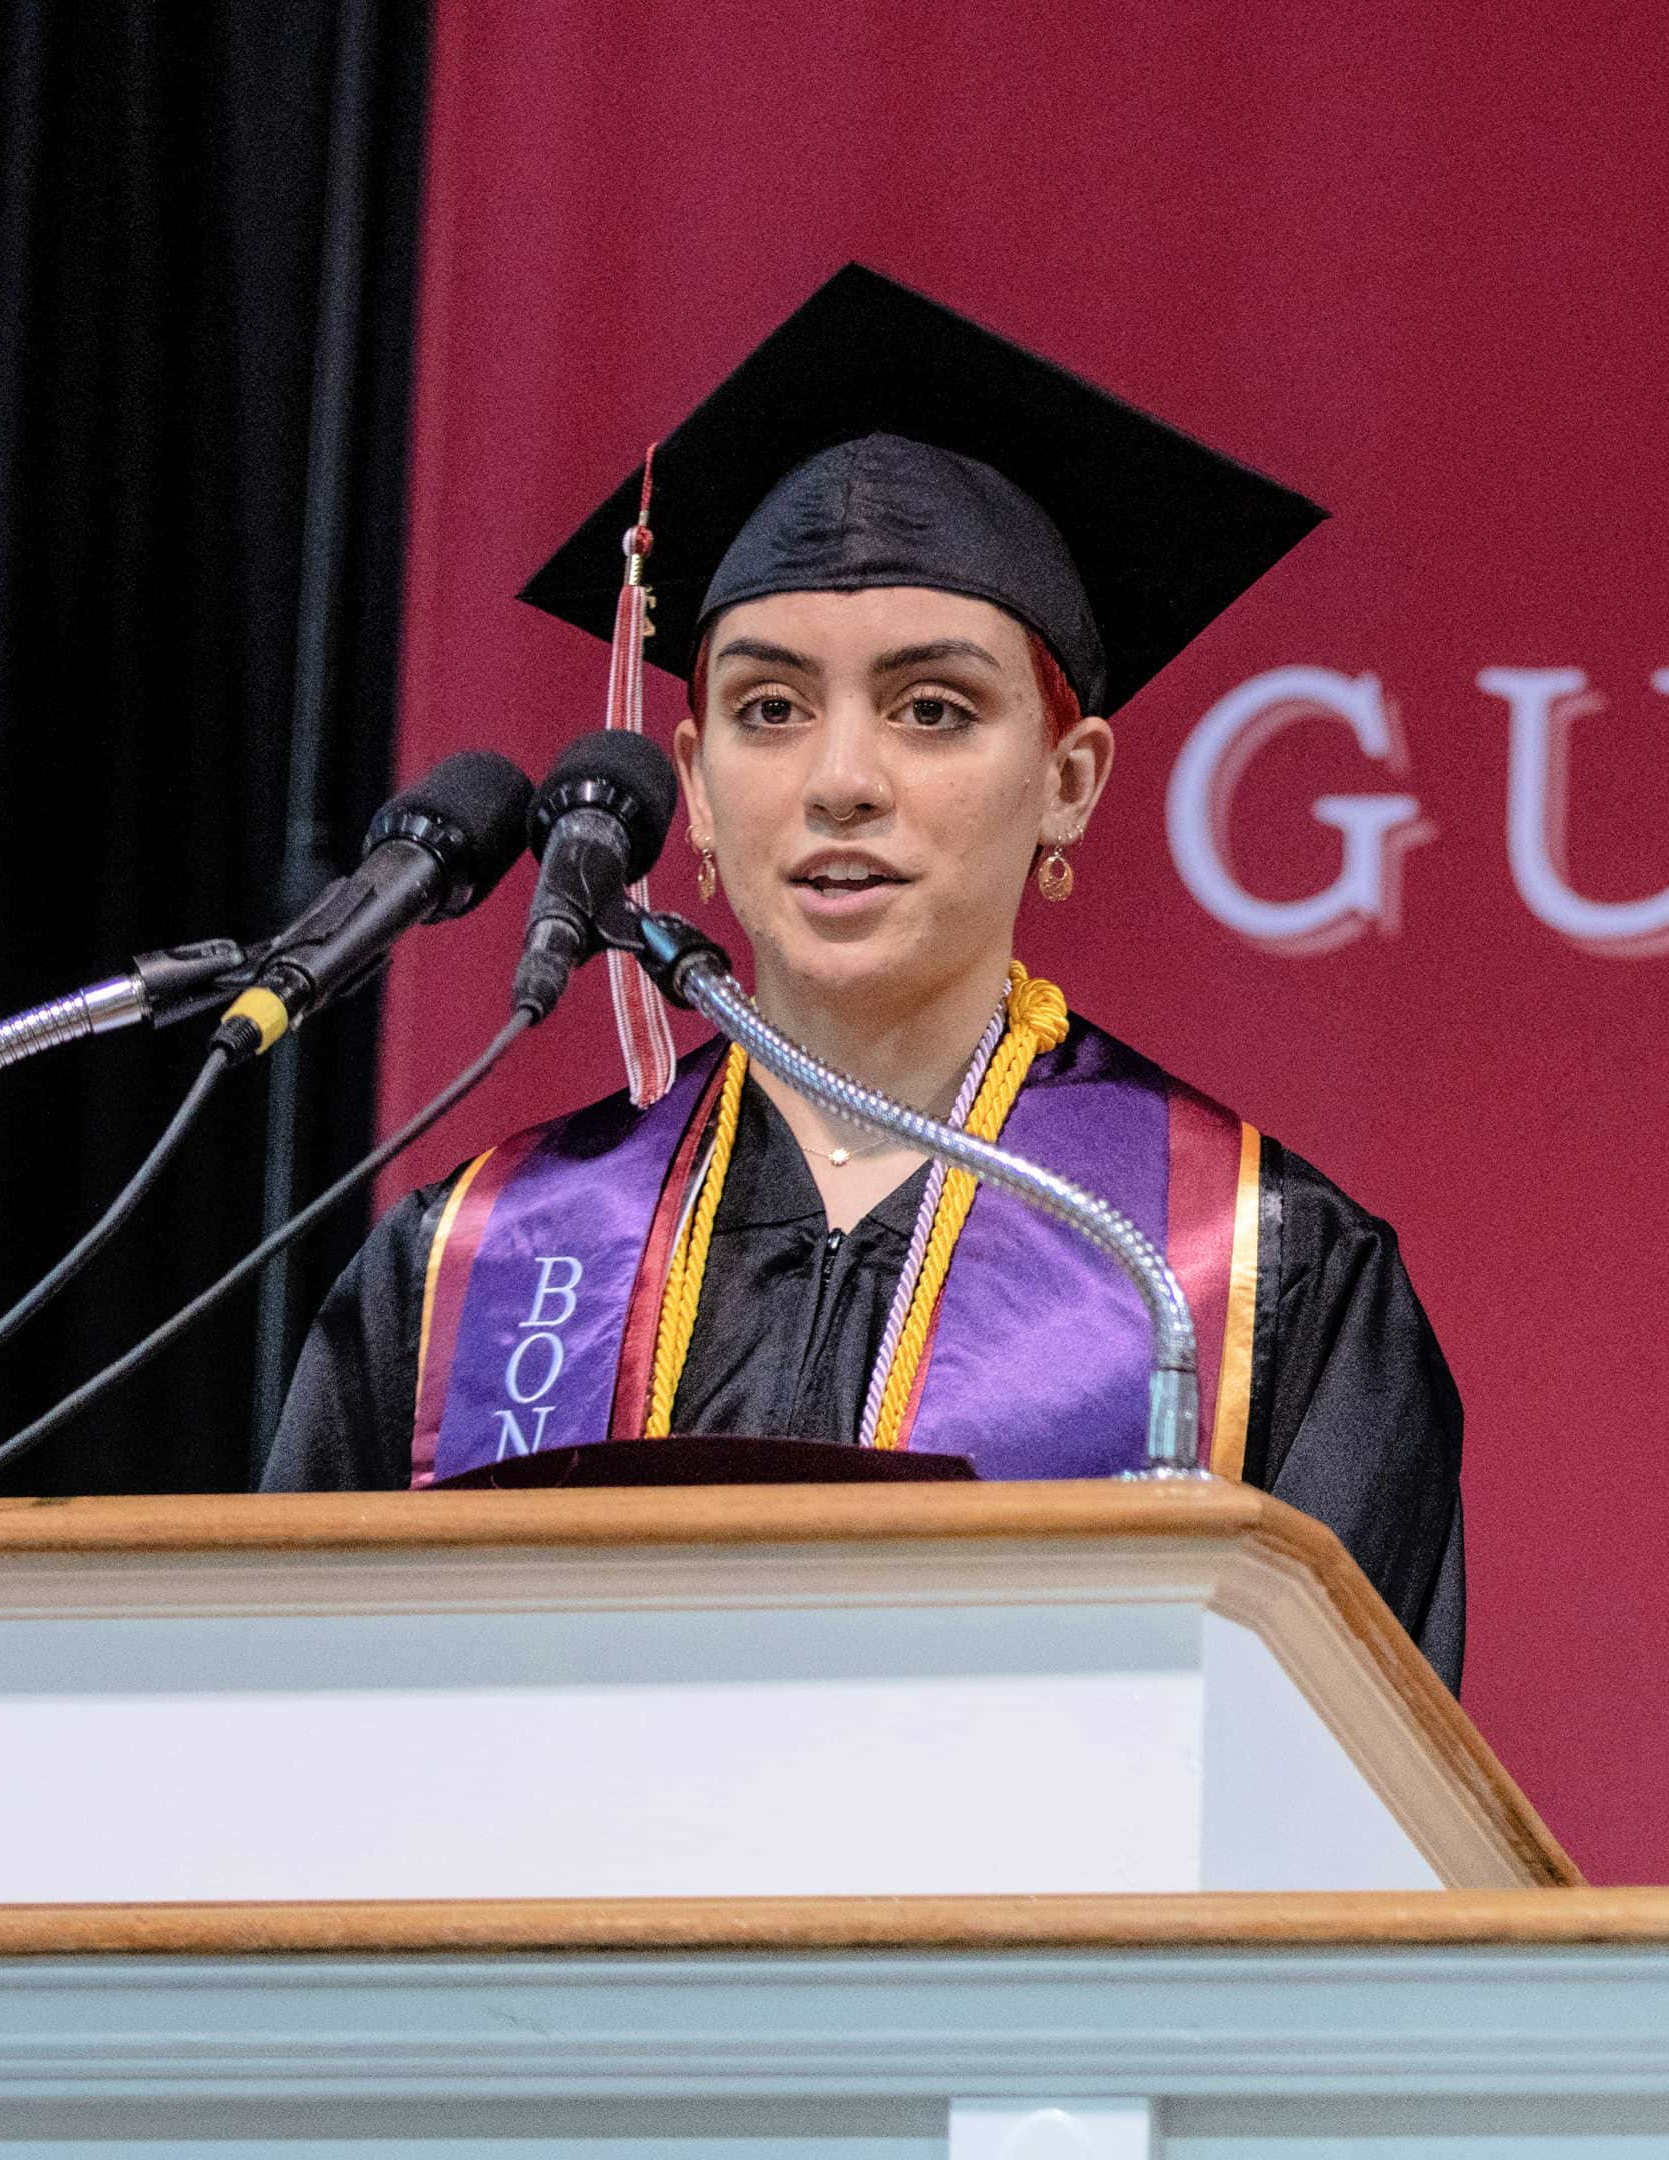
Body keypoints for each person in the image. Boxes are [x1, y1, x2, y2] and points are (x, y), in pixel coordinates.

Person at [263, 267, 1464, 1685]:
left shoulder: (1251, 1272)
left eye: (934, 709)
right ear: (695, 789)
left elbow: (1336, 1830)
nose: (842, 781)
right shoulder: (470, 1264)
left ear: (1068, 783)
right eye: (770, 710)